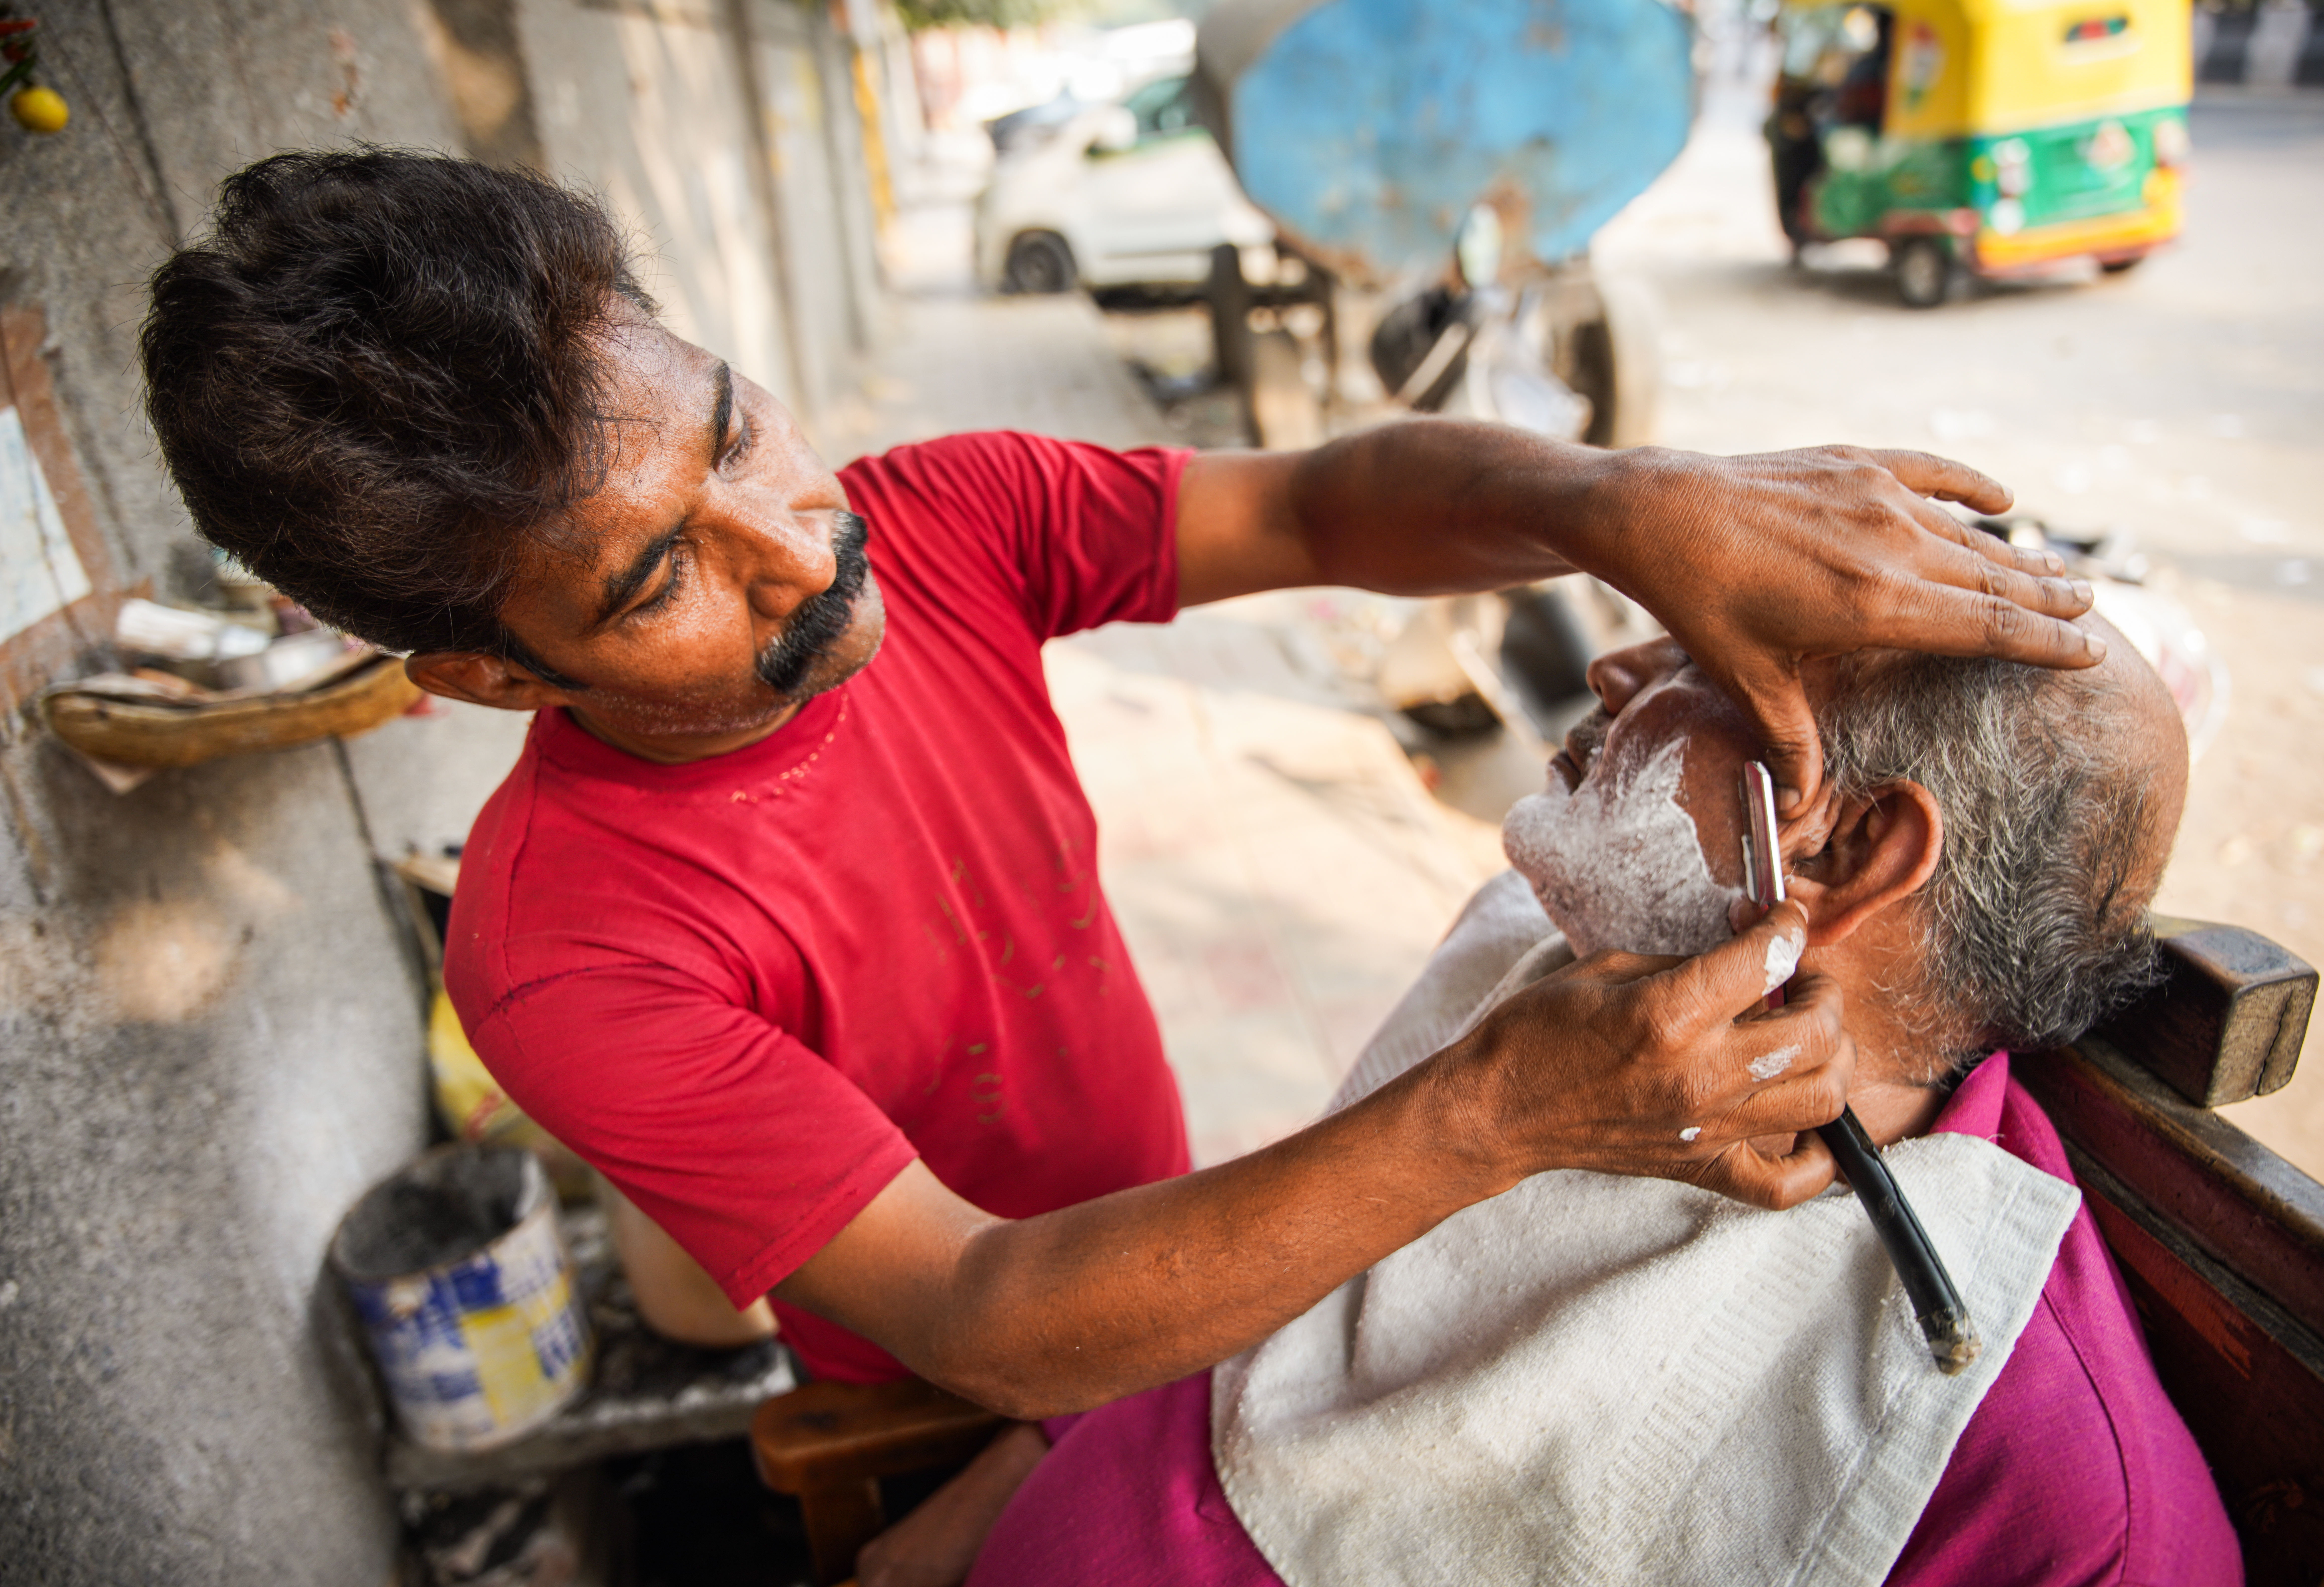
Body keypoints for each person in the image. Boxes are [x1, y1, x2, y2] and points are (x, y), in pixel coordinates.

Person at [138, 151, 2108, 1581]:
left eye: (736, 432)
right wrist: (1496, 1112)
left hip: (1229, 1278)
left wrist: (1620, 505)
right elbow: (992, 1312)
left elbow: (1335, 499)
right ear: (488, 672)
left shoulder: (937, 516)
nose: (792, 541)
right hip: (996, 1379)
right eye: (664, 576)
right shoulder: (569, 948)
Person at [958, 621, 2239, 1587]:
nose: (1612, 669)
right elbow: (1283, 1293)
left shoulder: (2032, 1462)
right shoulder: (1527, 953)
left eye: (1703, 659)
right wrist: (1031, 1454)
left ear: (1845, 851)